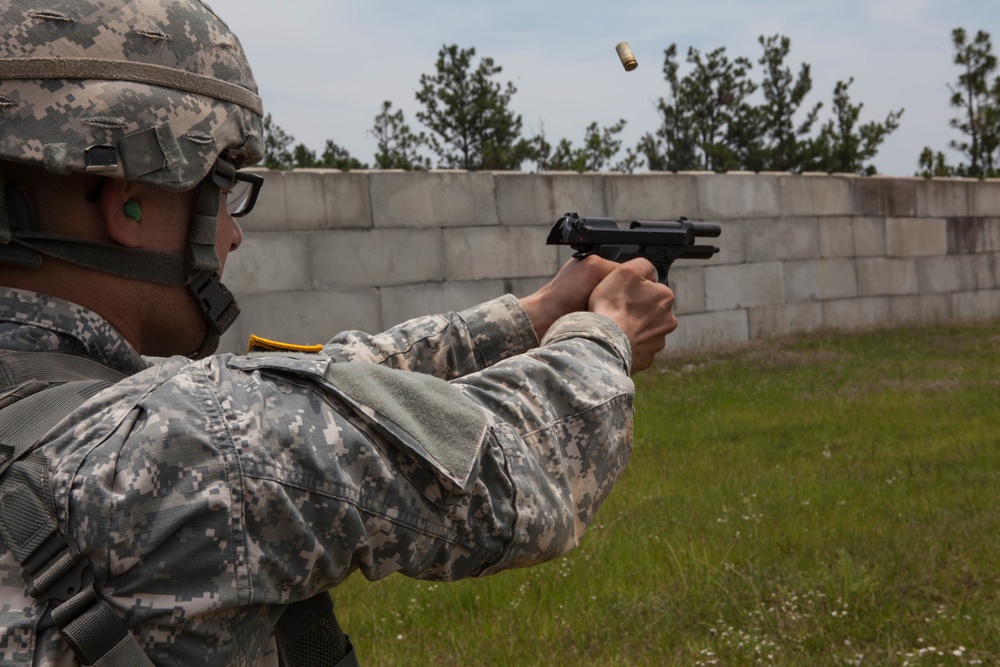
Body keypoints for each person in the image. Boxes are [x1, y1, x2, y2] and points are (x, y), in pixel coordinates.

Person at [0, 1, 677, 665]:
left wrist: (530, 315)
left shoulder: (69, 404)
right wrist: (607, 334)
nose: (232, 232)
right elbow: (520, 457)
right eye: (224, 190)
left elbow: (326, 385)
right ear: (130, 200)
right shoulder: (191, 441)